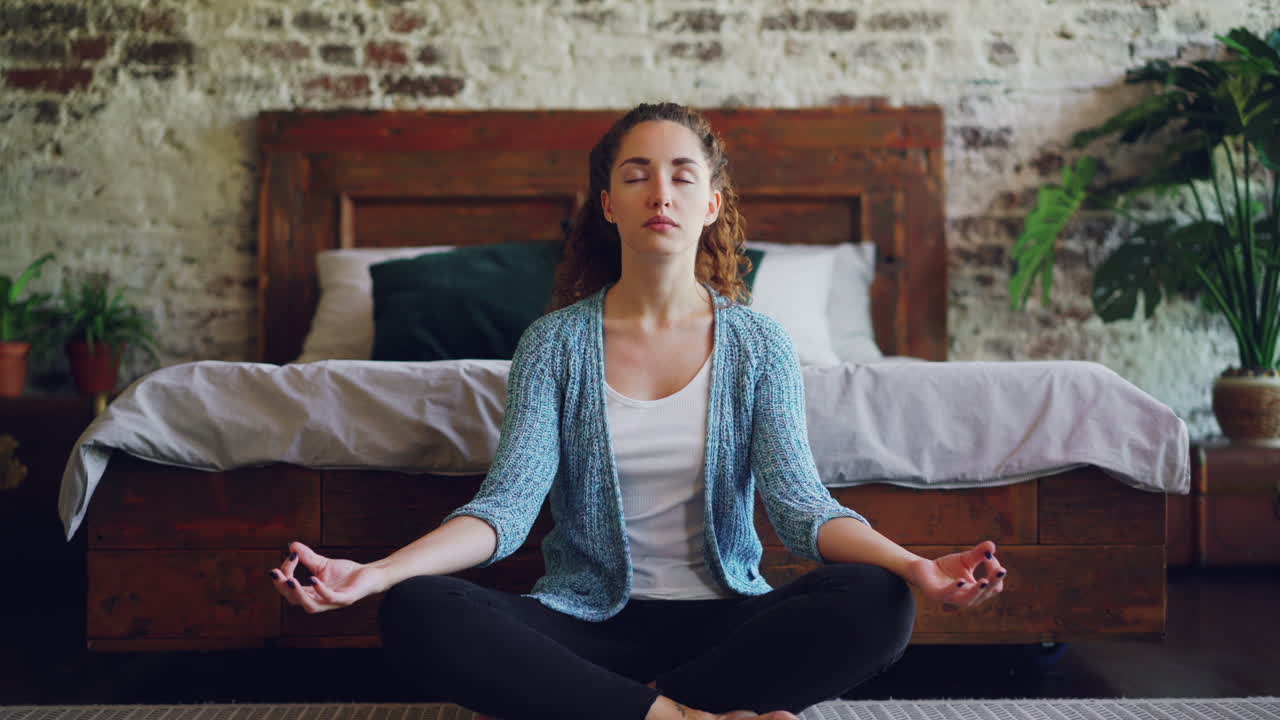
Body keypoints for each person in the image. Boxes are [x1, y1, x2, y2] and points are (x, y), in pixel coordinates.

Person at [266, 102, 1008, 720]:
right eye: (636, 175)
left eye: (682, 175)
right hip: (586, 626)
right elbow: (505, 510)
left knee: (879, 600)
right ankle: (681, 716)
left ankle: (612, 711)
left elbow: (802, 508)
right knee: (418, 611)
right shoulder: (554, 345)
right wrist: (376, 574)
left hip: (725, 627)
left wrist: (915, 566)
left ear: (710, 204)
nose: (660, 193)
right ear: (608, 204)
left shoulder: (759, 345)